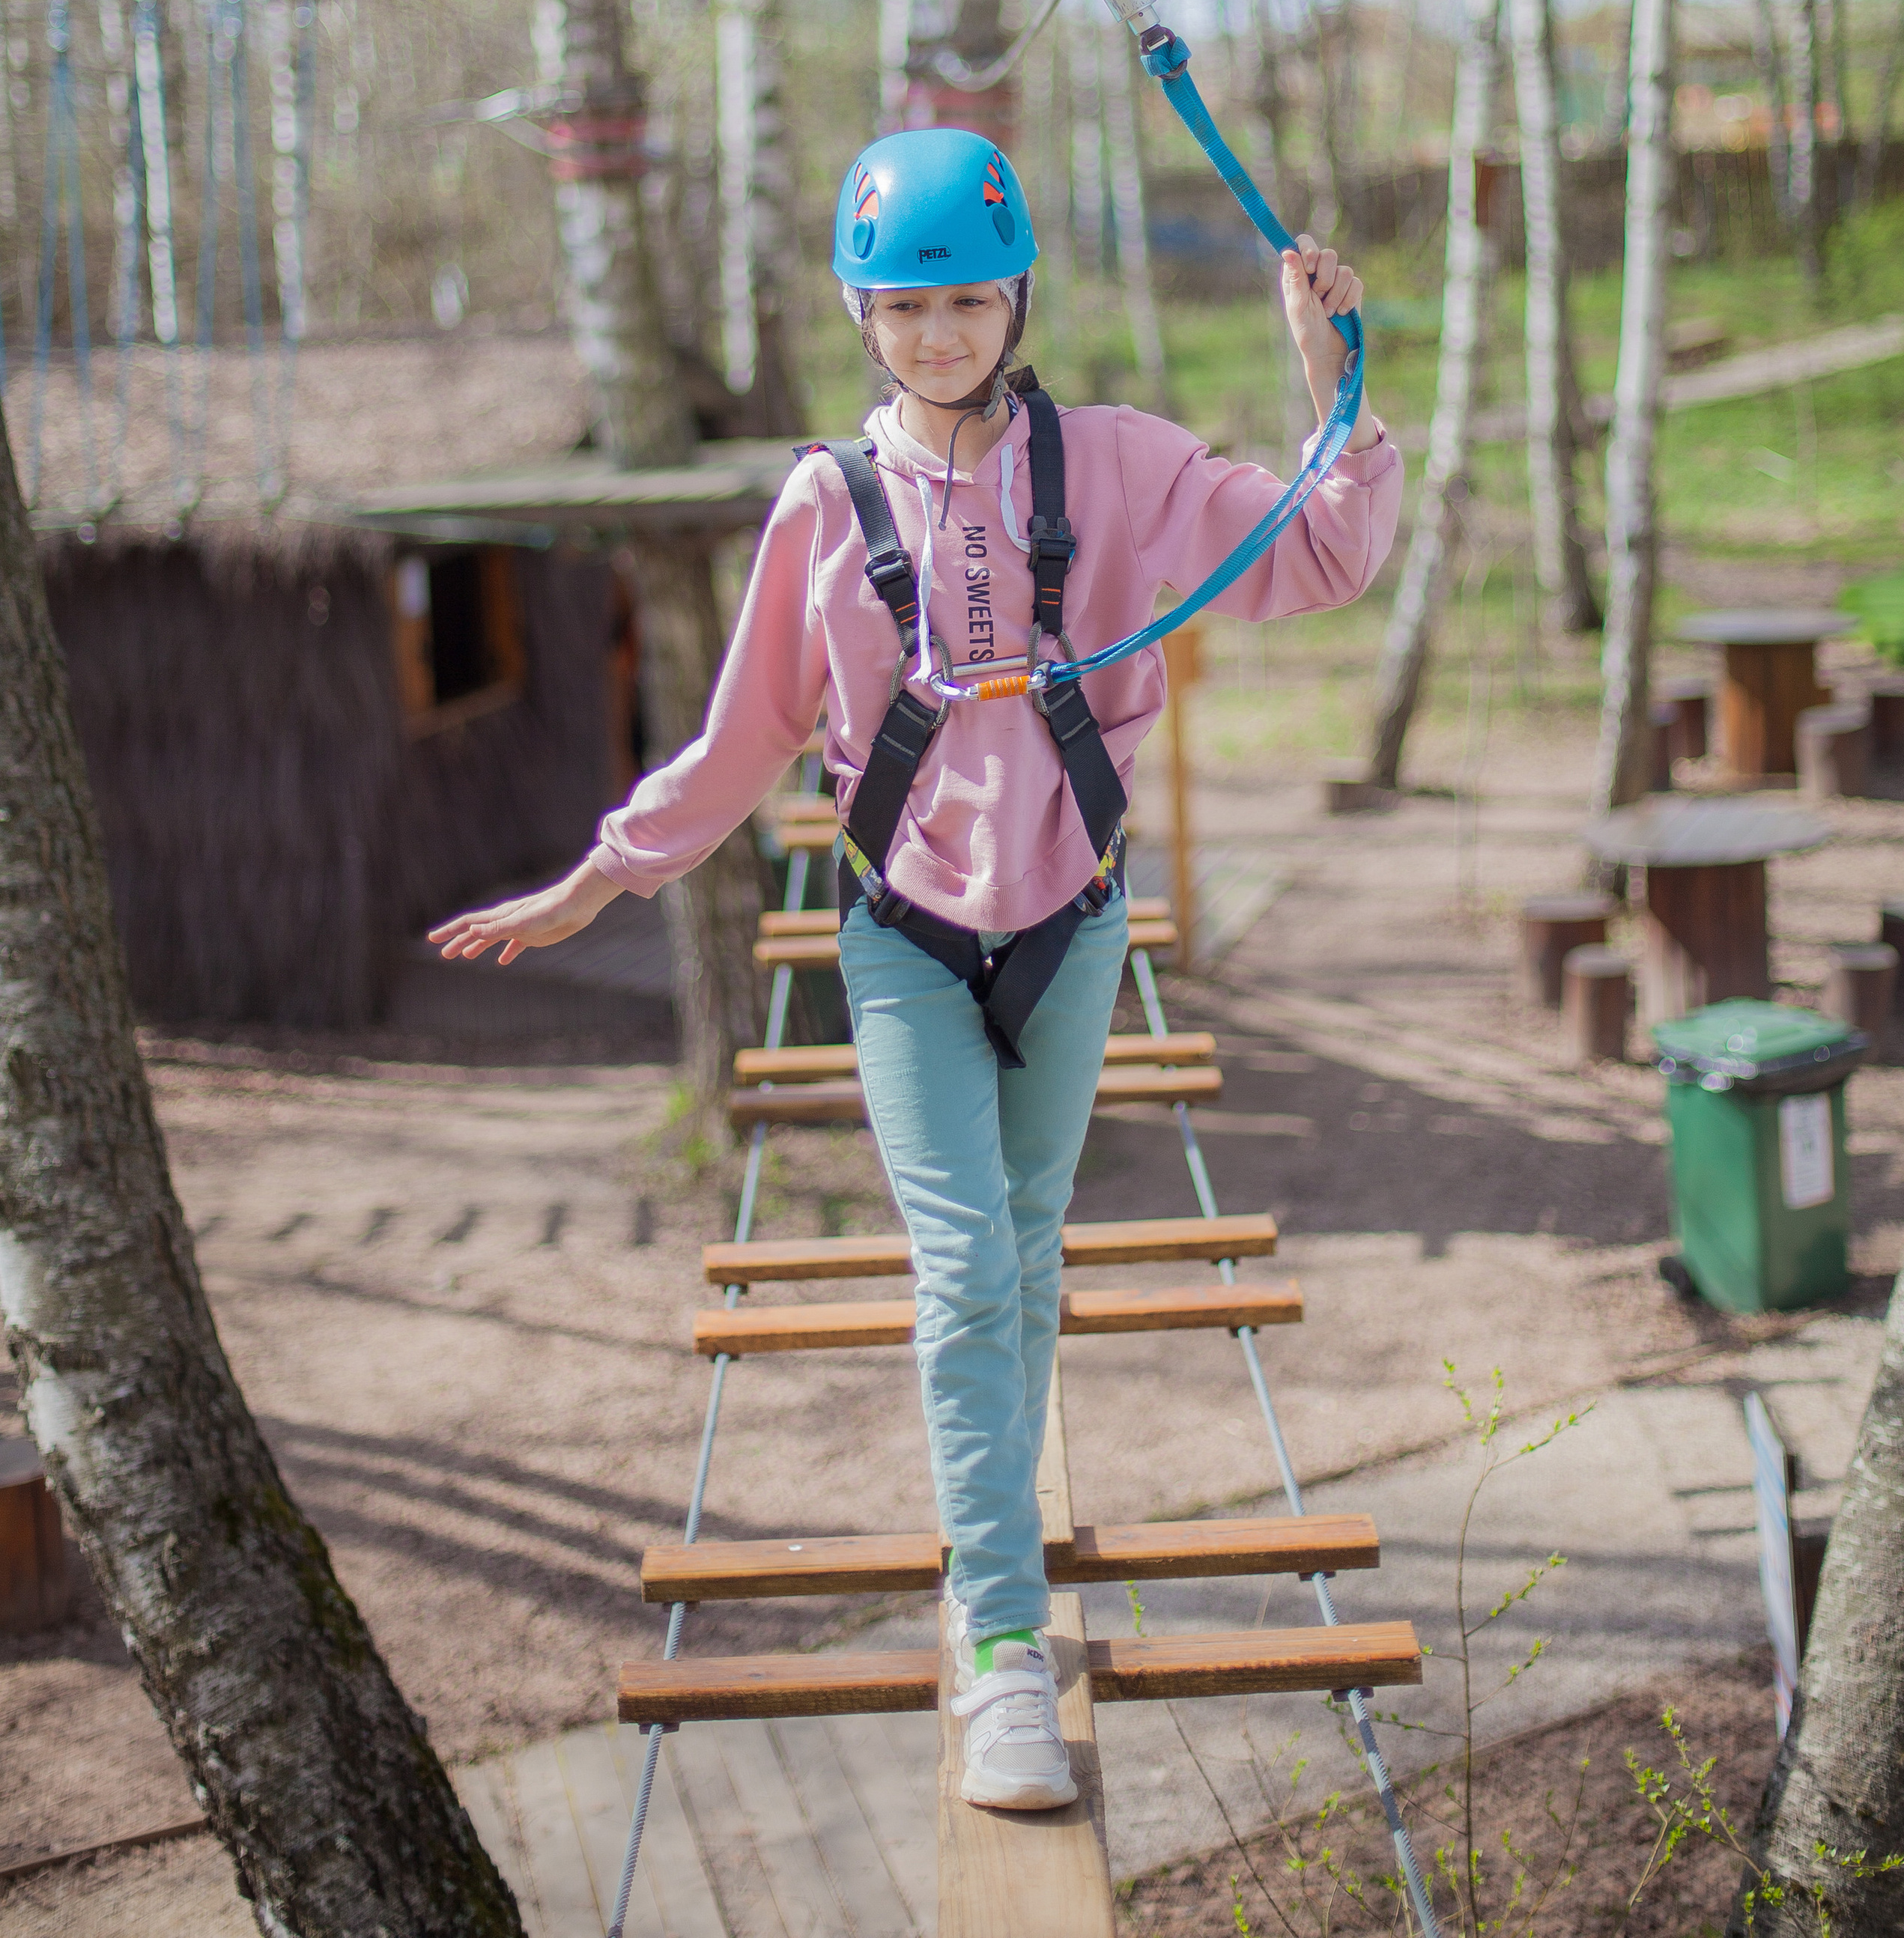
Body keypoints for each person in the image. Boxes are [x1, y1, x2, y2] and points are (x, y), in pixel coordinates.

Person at [431, 128, 1402, 1812]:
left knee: (1024, 1258)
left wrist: (1332, 386)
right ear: (859, 316)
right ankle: (1000, 1638)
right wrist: (614, 868)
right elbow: (743, 734)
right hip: (901, 936)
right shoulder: (824, 504)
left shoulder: (1111, 464)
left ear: (1012, 298)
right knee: (965, 1265)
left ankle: (986, 1563)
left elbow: (1313, 560)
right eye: (904, 305)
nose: (938, 333)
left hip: (1073, 922)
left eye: (963, 299)